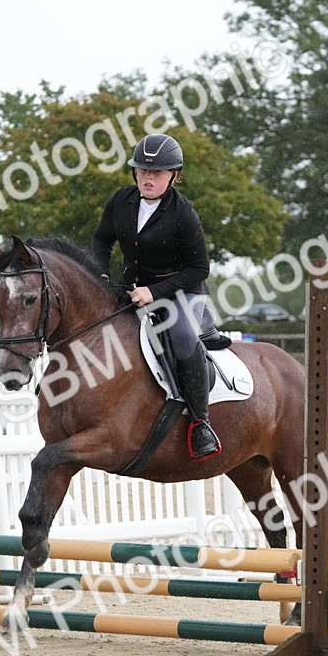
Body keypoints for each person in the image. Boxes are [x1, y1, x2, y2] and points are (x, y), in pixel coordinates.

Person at [90, 133, 221, 461]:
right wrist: (100, 274)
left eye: (157, 172)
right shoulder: (121, 201)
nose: (148, 177)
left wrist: (155, 292)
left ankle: (200, 422)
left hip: (180, 292)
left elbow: (198, 268)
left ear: (173, 175)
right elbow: (102, 239)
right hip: (132, 288)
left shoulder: (183, 212)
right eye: (142, 171)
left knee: (181, 338)